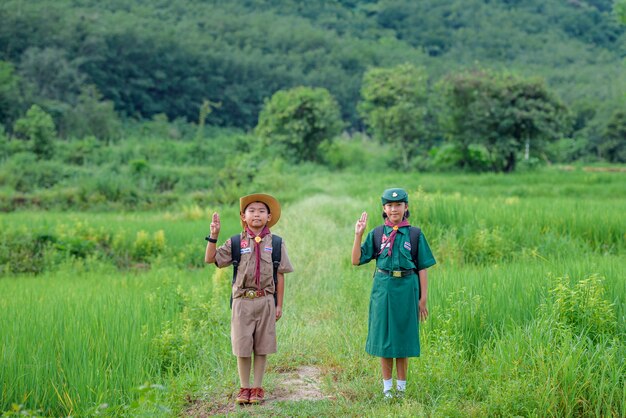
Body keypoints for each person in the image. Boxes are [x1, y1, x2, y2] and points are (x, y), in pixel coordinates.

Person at [205, 193, 294, 405]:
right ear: (243, 216)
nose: (256, 214)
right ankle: (244, 387)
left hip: (265, 300)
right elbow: (211, 259)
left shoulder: (277, 243)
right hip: (242, 301)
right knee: (242, 346)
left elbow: (280, 274)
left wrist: (279, 304)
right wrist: (213, 236)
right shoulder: (235, 242)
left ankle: (257, 387)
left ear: (269, 216)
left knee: (262, 346)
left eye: (261, 211)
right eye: (251, 211)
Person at [351, 188, 436, 399]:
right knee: (384, 338)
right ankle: (387, 389)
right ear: (384, 209)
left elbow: (422, 267)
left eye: (398, 205)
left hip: (408, 287)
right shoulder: (378, 233)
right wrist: (358, 234)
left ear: (406, 207)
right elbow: (355, 260)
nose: (394, 209)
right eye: (389, 206)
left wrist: (423, 298)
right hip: (383, 287)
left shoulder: (415, 234)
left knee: (403, 338)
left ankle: (401, 390)